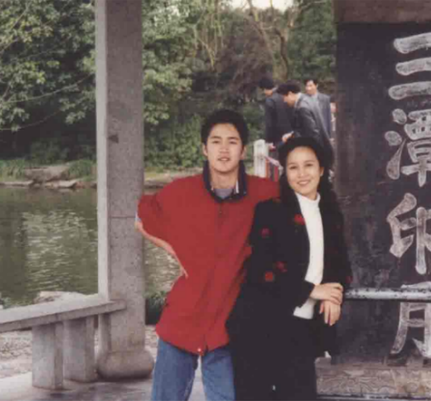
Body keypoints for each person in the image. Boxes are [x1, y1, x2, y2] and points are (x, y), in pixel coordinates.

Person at [136, 109, 278, 401]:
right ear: (204, 149)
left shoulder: (265, 192)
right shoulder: (181, 191)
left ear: (243, 150)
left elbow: (303, 216)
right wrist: (175, 250)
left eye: (232, 142)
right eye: (216, 141)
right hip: (182, 318)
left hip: (228, 324)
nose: (224, 149)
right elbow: (141, 219)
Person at [227, 136, 353, 400]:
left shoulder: (330, 213)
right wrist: (313, 290)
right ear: (285, 172)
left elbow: (340, 264)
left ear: (321, 169)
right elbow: (261, 270)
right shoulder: (270, 211)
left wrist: (333, 295)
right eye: (293, 167)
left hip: (302, 328)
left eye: (309, 165)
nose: (302, 174)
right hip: (259, 326)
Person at [277, 80, 334, 166]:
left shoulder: (302, 108)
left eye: (284, 97)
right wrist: (292, 134)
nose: (284, 101)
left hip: (317, 155)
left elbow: (312, 134)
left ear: (290, 94)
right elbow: (305, 128)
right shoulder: (307, 99)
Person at [259, 77, 294, 151]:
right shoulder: (285, 95)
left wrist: (269, 141)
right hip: (291, 135)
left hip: (278, 140)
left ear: (264, 89)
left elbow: (269, 124)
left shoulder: (270, 101)